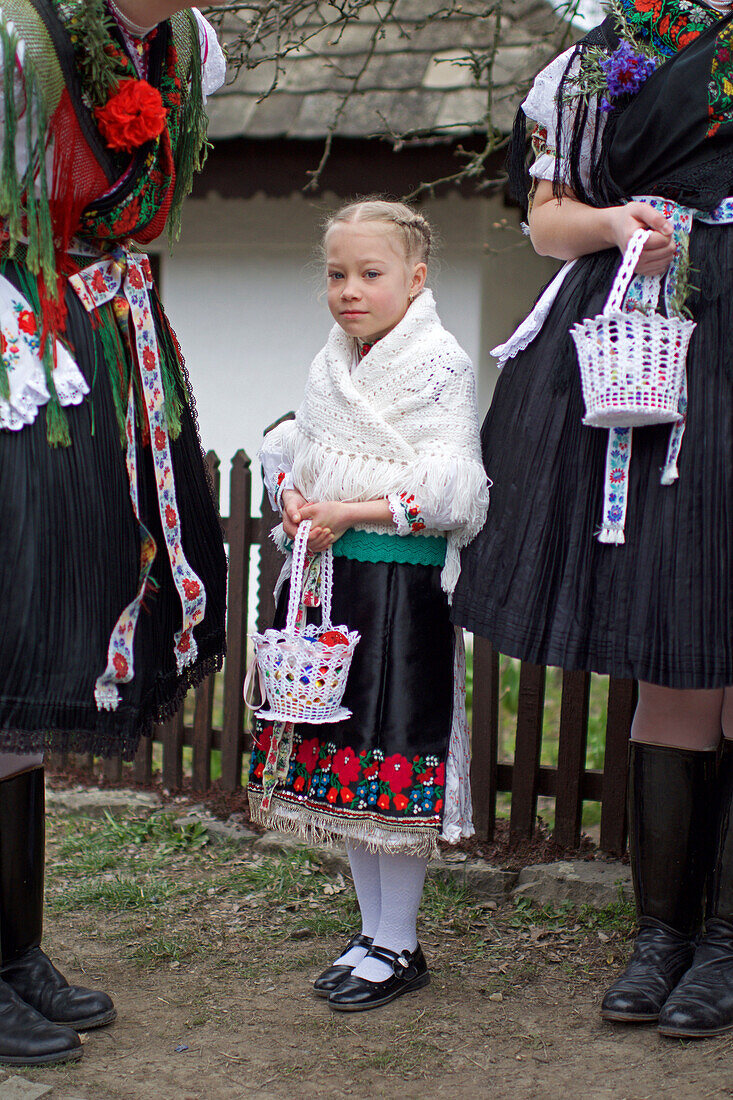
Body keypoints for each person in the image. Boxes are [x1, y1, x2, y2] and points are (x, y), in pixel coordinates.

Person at [451, 0, 733, 1040]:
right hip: (646, 340)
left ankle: (725, 946)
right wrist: (620, 224)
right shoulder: (595, 57)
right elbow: (545, 219)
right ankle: (660, 932)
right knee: (674, 634)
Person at [0, 0, 228, 1066]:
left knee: (44, 654)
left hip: (104, 350)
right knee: (7, 640)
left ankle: (14, 953)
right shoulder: (18, 35)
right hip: (20, 354)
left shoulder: (183, 48)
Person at [249, 198, 489, 1012]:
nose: (349, 289)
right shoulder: (331, 363)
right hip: (332, 585)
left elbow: (453, 486)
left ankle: (400, 940)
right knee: (344, 759)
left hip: (400, 592)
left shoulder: (441, 365)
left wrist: (350, 511)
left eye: (370, 273)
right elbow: (298, 448)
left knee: (393, 751)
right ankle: (371, 932)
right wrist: (293, 494)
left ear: (415, 279)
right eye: (336, 274)